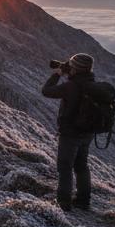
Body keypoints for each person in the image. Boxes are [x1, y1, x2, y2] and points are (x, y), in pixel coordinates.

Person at [41, 52, 96, 210]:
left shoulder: (70, 86)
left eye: (71, 66)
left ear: (75, 69)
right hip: (87, 133)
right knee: (81, 166)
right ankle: (83, 202)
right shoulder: (91, 83)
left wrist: (57, 74)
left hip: (70, 134)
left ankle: (63, 203)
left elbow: (46, 91)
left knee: (65, 168)